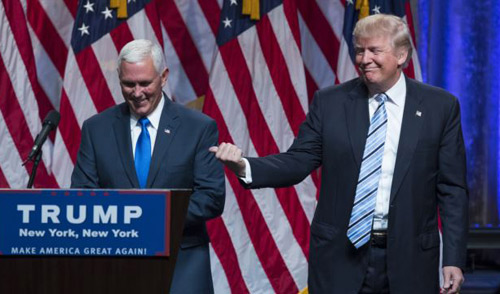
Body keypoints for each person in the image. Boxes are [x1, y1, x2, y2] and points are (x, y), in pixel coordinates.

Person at [210, 14, 468, 294]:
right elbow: (297, 161)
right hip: (339, 260)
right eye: (359, 50)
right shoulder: (330, 102)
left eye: (374, 50)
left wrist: (453, 259)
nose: (364, 58)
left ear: (401, 55)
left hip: (410, 259)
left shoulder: (439, 107)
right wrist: (244, 166)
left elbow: (452, 190)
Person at [71, 39, 225, 293]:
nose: (137, 92)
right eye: (128, 84)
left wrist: (149, 219)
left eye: (145, 83)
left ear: (164, 77)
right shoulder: (96, 129)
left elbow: (211, 197)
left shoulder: (198, 128)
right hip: (115, 265)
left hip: (181, 265)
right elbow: (83, 195)